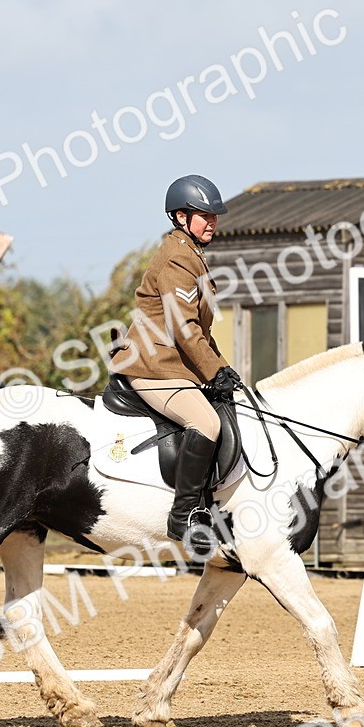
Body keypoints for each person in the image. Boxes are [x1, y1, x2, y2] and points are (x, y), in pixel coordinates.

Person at [109, 174, 242, 556]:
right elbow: (184, 328)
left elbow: (200, 331)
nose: (212, 222)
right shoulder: (177, 259)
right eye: (205, 216)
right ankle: (182, 516)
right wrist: (214, 371)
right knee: (206, 423)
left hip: (173, 364)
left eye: (214, 216)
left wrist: (222, 369)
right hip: (153, 365)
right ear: (181, 217)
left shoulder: (191, 254)